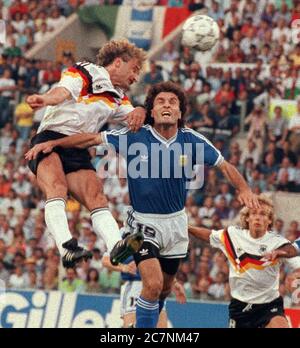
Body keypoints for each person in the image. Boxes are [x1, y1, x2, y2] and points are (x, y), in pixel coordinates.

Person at [25, 81, 259, 328]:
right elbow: (91, 139)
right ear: (151, 111)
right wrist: (53, 144)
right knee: (153, 283)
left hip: (176, 224)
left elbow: (224, 165)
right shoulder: (134, 136)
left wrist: (244, 188)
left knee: (164, 290)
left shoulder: (193, 140)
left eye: (172, 102)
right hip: (142, 224)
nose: (167, 105)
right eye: (160, 102)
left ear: (180, 113)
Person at [25, 40, 147, 268]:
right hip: (49, 138)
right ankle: (66, 248)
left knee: (97, 197)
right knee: (57, 187)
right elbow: (61, 92)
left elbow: (136, 119)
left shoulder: (118, 97)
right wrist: (44, 99)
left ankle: (115, 245)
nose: (136, 77)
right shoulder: (86, 71)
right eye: (135, 69)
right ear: (118, 62)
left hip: (78, 148)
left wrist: (141, 109)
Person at [188, 194, 300, 328]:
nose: (258, 217)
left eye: (263, 214)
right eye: (254, 213)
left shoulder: (279, 243)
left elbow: (296, 265)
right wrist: (187, 228)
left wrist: (295, 274)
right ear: (247, 218)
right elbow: (209, 235)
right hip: (240, 307)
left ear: (270, 220)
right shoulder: (232, 235)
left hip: (269, 305)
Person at [102, 244, 186, 328]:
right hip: (134, 287)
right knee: (132, 324)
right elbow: (105, 260)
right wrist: (123, 267)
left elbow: (160, 265)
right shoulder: (122, 237)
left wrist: (174, 282)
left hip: (156, 287)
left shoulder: (155, 236)